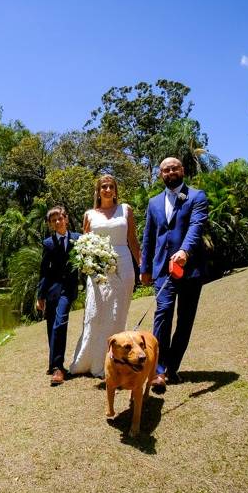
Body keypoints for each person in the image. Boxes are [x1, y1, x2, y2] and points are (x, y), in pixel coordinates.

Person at [140, 157, 209, 393]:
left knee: (185, 320)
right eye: (165, 169)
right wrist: (145, 268)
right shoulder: (153, 203)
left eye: (174, 168)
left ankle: (171, 368)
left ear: (183, 170)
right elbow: (148, 237)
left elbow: (196, 227)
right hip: (162, 271)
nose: (170, 172)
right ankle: (157, 372)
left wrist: (184, 251)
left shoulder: (197, 197)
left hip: (190, 270)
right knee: (162, 314)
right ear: (160, 174)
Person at [70, 174, 141, 378]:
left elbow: (133, 241)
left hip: (124, 263)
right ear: (98, 191)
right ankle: (90, 360)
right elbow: (84, 243)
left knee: (118, 313)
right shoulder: (89, 214)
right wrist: (88, 265)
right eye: (104, 187)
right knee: (96, 313)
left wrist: (142, 267)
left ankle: (116, 361)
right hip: (99, 269)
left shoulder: (125, 210)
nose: (107, 190)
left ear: (115, 190)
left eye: (111, 187)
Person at [37, 206, 81, 386]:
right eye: (53, 220)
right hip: (52, 290)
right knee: (51, 325)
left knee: (60, 321)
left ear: (66, 219)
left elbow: (85, 262)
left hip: (68, 290)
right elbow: (43, 272)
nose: (57, 222)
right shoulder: (48, 243)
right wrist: (40, 295)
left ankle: (58, 368)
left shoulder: (79, 239)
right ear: (50, 224)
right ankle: (52, 363)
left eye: (60, 218)